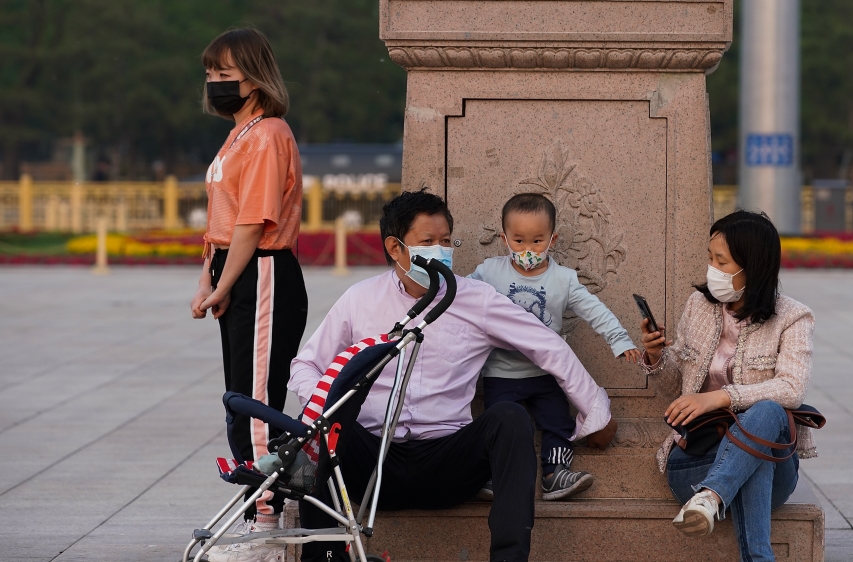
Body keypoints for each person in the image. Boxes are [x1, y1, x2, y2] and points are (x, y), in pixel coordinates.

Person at [288, 189, 618, 562]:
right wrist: (332, 407)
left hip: (446, 463)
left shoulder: (476, 298)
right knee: (314, 424)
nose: (440, 250)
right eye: (428, 241)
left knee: (510, 418)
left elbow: (548, 346)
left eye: (446, 241)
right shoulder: (359, 298)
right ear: (395, 248)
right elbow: (305, 365)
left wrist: (595, 412)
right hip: (369, 461)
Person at [188, 28, 308, 560]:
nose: (214, 82)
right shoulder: (238, 135)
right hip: (237, 271)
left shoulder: (268, 134)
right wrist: (208, 278)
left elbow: (254, 224)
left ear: (255, 77)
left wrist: (225, 282)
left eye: (225, 73)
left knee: (257, 405)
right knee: (239, 400)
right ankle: (254, 509)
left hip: (263, 273)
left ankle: (266, 521)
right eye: (209, 73)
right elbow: (223, 221)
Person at [639, 210, 816, 562]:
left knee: (767, 414)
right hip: (696, 461)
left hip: (773, 471)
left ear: (754, 267)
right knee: (756, 455)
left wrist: (719, 398)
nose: (712, 269)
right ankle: (723, 510)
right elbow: (675, 391)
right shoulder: (698, 306)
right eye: (711, 258)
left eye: (722, 262)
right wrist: (657, 357)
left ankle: (712, 496)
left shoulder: (793, 317)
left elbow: (792, 389)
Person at [468, 193, 638, 501]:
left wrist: (619, 339)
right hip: (501, 373)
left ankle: (555, 474)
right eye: (518, 241)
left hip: (546, 373)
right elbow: (458, 297)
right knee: (499, 422)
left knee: (558, 421)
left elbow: (595, 311)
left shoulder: (564, 279)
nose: (527, 250)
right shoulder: (489, 273)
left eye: (537, 241)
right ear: (504, 239)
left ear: (552, 239)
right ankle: (491, 473)